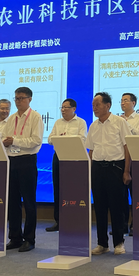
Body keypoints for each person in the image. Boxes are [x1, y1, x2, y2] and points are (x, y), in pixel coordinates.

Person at [86, 92, 131, 255]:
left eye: (97, 105)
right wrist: (90, 171)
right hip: (98, 168)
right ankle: (102, 243)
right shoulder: (93, 125)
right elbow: (91, 150)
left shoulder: (120, 122)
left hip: (116, 168)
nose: (94, 108)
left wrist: (126, 171)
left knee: (117, 207)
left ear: (108, 105)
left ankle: (119, 243)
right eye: (93, 105)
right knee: (99, 207)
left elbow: (127, 147)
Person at [1, 87, 44, 252]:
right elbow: (5, 138)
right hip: (11, 161)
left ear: (29, 99)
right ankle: (15, 237)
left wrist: (14, 140)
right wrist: (4, 141)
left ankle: (29, 239)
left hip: (27, 161)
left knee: (29, 202)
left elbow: (36, 141)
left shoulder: (35, 117)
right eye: (16, 98)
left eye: (21, 98)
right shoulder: (11, 118)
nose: (18, 101)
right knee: (12, 202)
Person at [46, 98, 87, 232]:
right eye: (62, 107)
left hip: (74, 158)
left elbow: (82, 139)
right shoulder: (58, 122)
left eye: (66, 107)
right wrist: (59, 138)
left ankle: (75, 220)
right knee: (58, 189)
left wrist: (65, 139)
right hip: (58, 157)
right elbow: (50, 139)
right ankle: (59, 221)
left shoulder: (81, 122)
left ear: (73, 109)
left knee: (73, 190)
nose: (63, 110)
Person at [120, 92, 139, 235]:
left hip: (136, 158)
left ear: (133, 103)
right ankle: (122, 225)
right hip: (120, 158)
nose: (122, 103)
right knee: (121, 195)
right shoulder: (118, 119)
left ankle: (136, 225)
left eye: (125, 100)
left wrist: (125, 124)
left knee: (136, 194)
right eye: (121, 101)